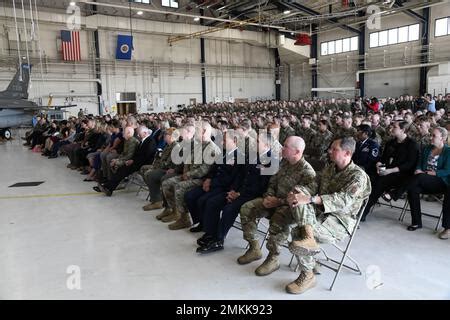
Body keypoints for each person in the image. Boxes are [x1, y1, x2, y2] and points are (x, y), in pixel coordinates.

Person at [285, 137, 371, 294]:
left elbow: (342, 200)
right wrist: (297, 192)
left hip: (340, 221)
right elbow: (314, 184)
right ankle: (309, 242)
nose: (329, 151)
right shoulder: (330, 168)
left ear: (347, 153)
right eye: (330, 148)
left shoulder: (358, 176)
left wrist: (310, 198)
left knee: (298, 233)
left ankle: (308, 275)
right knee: (299, 194)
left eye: (334, 149)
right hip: (319, 213)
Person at [237, 136, 317, 277]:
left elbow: (298, 201)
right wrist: (268, 196)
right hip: (273, 201)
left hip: (289, 208)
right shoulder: (284, 163)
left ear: (297, 152)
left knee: (278, 219)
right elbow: (272, 182)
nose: (281, 148)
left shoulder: (308, 173)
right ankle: (254, 247)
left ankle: (273, 258)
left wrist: (278, 202)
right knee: (247, 208)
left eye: (285, 146)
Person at [361, 121, 419, 221]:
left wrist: (391, 170)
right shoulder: (390, 143)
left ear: (403, 130)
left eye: (394, 127)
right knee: (369, 178)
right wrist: (379, 164)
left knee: (378, 183)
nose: (391, 129)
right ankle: (360, 208)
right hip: (387, 172)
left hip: (402, 174)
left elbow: (410, 164)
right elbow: (383, 158)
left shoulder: (412, 145)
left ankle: (363, 212)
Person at [403, 127, 450, 231]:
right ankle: (416, 222)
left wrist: (434, 173)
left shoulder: (448, 151)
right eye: (431, 135)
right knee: (413, 189)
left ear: (442, 138)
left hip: (440, 182)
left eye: (434, 136)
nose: (430, 138)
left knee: (419, 177)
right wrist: (418, 169)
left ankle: (396, 192)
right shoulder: (427, 148)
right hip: (422, 179)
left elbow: (447, 170)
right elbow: (419, 163)